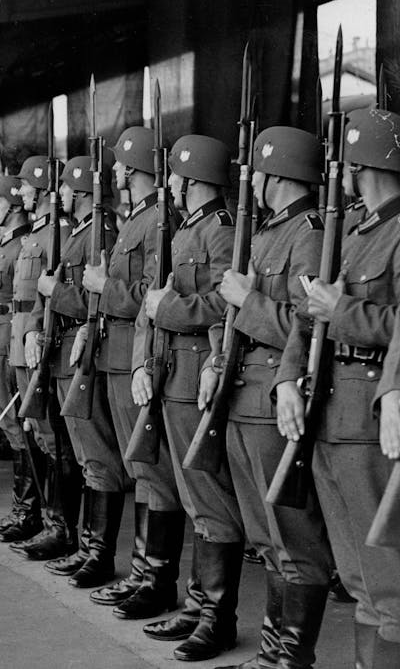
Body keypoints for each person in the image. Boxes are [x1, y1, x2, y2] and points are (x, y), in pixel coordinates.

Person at [197, 126, 333, 669]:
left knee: (293, 540)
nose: (250, 182)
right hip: (241, 392)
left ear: (274, 175)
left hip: (274, 399)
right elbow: (229, 314)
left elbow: (309, 329)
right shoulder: (266, 232)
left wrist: (248, 299)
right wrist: (214, 359)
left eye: (256, 172)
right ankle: (274, 653)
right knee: (265, 535)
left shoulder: (309, 233)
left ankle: (290, 659)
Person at [277, 107, 400, 666]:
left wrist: (343, 311)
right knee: (356, 577)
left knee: (388, 581)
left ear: (358, 166)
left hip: (369, 420)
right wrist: (287, 379)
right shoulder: (349, 230)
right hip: (327, 410)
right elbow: (307, 316)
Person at [132, 134, 245, 662]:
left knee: (210, 497)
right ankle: (200, 605)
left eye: (175, 176)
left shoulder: (220, 229)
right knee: (194, 496)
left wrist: (168, 310)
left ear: (193, 179)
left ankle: (217, 618)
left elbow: (226, 304)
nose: (170, 185)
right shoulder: (186, 230)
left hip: (200, 370)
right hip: (175, 371)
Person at [81, 127, 188, 619]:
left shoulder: (158, 220)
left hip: (137, 357)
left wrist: (103, 287)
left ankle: (157, 580)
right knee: (141, 468)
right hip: (118, 353)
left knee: (154, 470)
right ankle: (145, 574)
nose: (115, 171)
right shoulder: (137, 219)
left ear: (134, 167)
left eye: (121, 163)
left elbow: (151, 297)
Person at [35, 152, 127, 592]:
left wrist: (55, 292)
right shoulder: (79, 232)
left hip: (83, 348)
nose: (61, 195)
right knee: (84, 454)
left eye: (66, 188)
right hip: (66, 348)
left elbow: (95, 302)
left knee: (98, 455)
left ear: (82, 191)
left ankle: (99, 553)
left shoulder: (100, 231)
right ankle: (88, 546)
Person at [8, 155, 82, 564]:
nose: (20, 191)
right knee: (37, 431)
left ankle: (60, 526)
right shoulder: (37, 232)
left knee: (54, 438)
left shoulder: (60, 231)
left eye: (25, 185)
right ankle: (43, 519)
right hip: (28, 336)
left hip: (51, 341)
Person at [0, 175, 37, 539]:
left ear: (15, 205)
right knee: (5, 416)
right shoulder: (5, 245)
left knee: (18, 422)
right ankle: (21, 508)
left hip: (10, 339)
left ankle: (27, 510)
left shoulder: (22, 245)